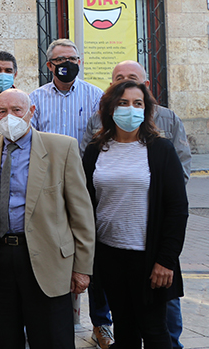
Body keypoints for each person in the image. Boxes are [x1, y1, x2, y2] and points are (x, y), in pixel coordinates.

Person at [0, 89, 95, 349]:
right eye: (2, 112)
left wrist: (82, 268)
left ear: (31, 112)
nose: (9, 117)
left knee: (52, 339)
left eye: (16, 110)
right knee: (4, 338)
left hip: (47, 260)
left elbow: (81, 214)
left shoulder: (62, 148)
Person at [79, 60, 192, 348]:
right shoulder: (95, 149)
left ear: (146, 108)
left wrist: (166, 260)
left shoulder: (160, 149)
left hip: (149, 258)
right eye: (123, 102)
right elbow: (86, 202)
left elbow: (177, 209)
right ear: (110, 108)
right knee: (125, 331)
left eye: (138, 103)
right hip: (110, 255)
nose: (131, 109)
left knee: (155, 332)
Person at [29, 38, 107, 348]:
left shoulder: (95, 96)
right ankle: (48, 315)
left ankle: (101, 322)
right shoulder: (35, 98)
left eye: (73, 58)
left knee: (90, 251)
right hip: (46, 188)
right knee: (51, 248)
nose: (68, 63)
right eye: (61, 59)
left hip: (85, 184)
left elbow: (103, 138)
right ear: (49, 65)